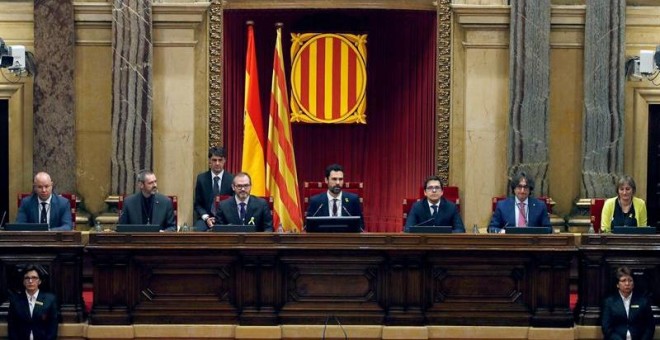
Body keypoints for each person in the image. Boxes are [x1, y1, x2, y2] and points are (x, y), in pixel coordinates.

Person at [601, 266, 654, 340]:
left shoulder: (643, 301)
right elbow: (606, 328)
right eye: (623, 280)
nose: (627, 283)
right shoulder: (609, 302)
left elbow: (650, 326)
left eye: (630, 280)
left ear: (633, 283)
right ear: (617, 284)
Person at [7, 264, 59, 340]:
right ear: (23, 281)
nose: (30, 281)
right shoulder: (15, 300)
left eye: (34, 278)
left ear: (40, 281)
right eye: (27, 278)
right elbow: (12, 328)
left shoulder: (50, 299)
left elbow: (52, 327)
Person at [305, 164, 364, 230]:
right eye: (334, 179)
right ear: (326, 180)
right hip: (323, 239)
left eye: (340, 179)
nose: (338, 183)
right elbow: (308, 227)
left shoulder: (353, 200)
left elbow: (361, 226)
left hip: (346, 239)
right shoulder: (316, 201)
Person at [193, 147, 234, 231]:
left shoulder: (232, 179)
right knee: (197, 231)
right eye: (214, 160)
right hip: (206, 219)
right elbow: (198, 204)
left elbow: (234, 203)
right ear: (209, 161)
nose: (217, 163)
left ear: (224, 161)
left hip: (225, 219)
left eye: (220, 160)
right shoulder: (201, 179)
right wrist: (206, 218)